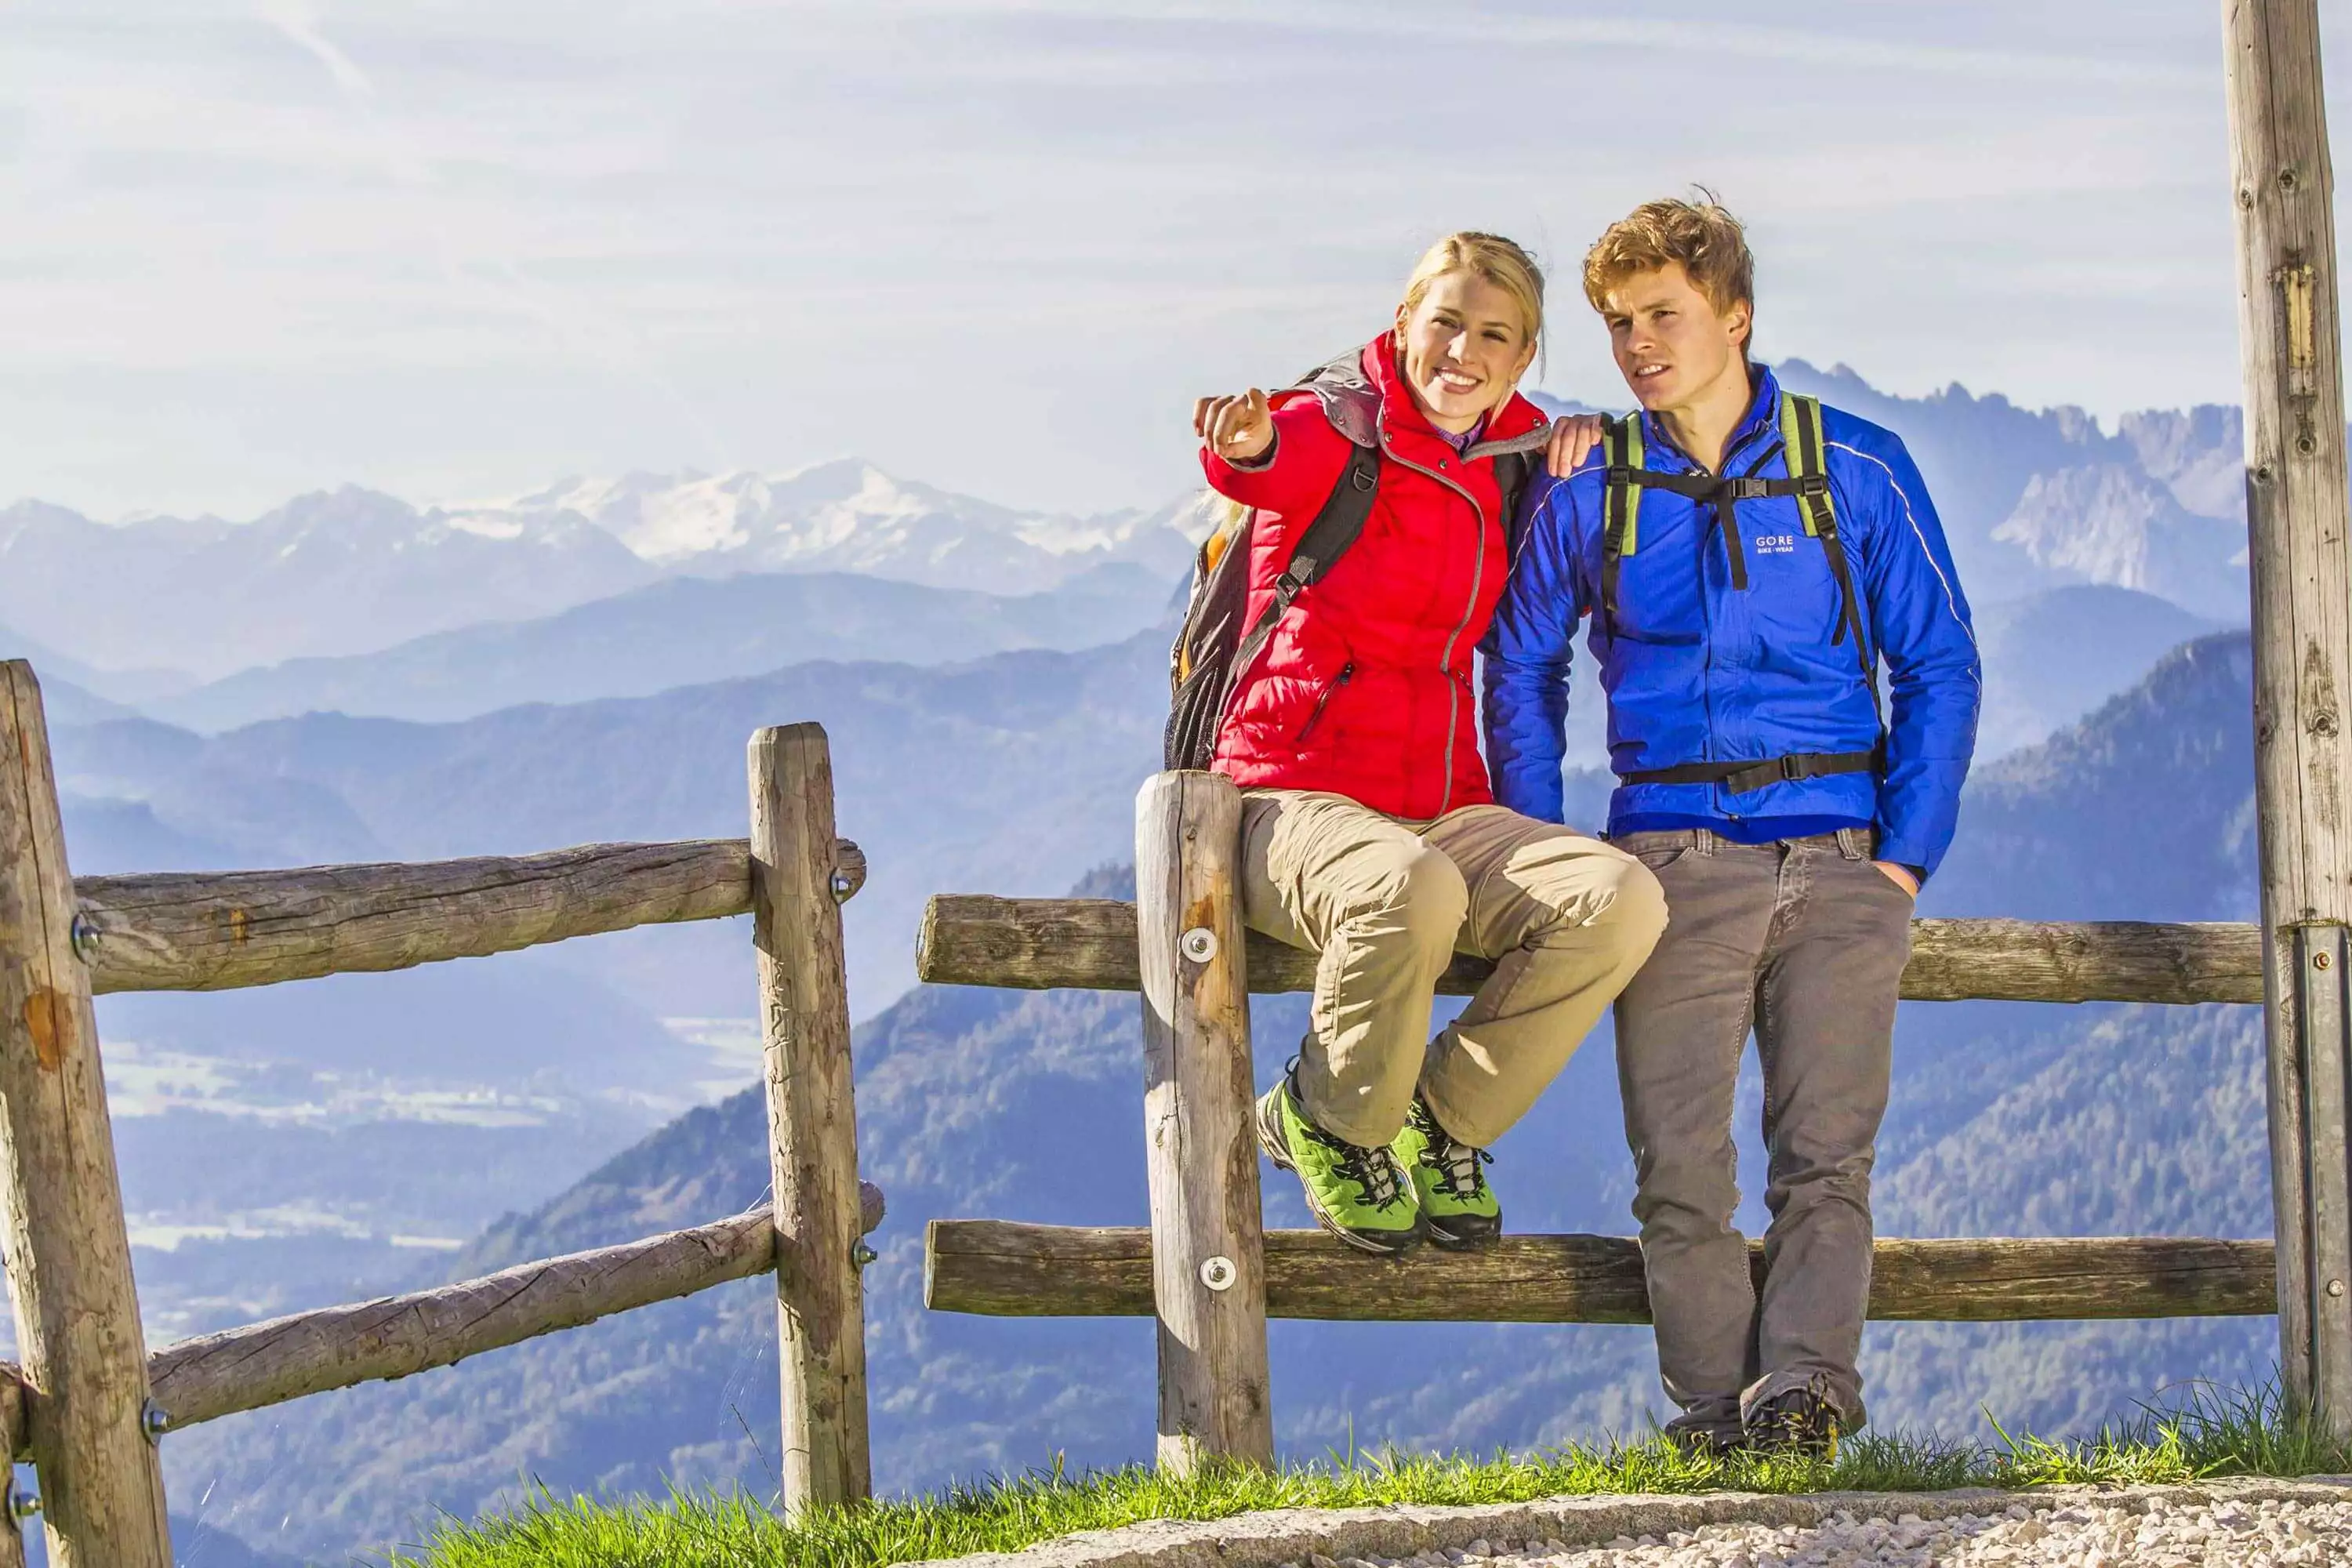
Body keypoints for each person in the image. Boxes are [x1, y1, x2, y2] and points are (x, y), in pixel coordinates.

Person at [1483, 197, 1981, 1453]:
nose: (1640, 342)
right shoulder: (1592, 480)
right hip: (1667, 861)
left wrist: (1905, 858)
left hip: (1842, 857)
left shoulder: (1852, 465)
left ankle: (1805, 1398)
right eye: (1618, 323)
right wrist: (1549, 853)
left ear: (1736, 316)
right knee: (1679, 1171)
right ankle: (1715, 1416)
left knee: (1825, 1158)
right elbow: (1518, 664)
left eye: (1665, 314)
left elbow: (1941, 662)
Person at [1191, 231, 1667, 1256]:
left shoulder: (1512, 452)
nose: (1464, 349)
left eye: (1495, 334)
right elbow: (1268, 462)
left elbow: (1654, 457)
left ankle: (1440, 1118)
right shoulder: (1333, 424)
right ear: (1404, 322)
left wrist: (1588, 434)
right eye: (1445, 321)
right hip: (1287, 797)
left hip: (1438, 802)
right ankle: (1324, 1117)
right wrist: (1240, 447)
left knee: (1620, 899)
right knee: (1406, 885)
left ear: (1523, 355)